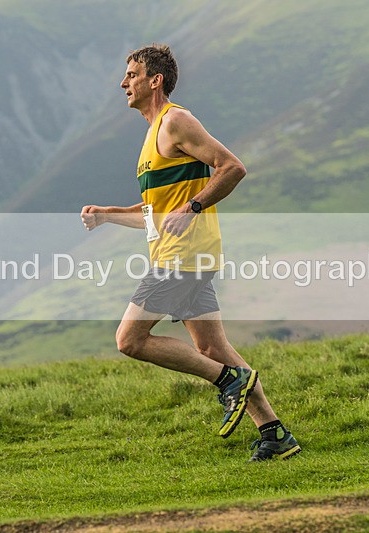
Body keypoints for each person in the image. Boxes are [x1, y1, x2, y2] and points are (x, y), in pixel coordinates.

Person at [80, 44, 299, 461]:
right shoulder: (151, 136)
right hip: (181, 252)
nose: (123, 82)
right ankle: (274, 433)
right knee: (213, 349)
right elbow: (156, 215)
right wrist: (108, 215)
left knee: (129, 339)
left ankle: (229, 382)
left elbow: (232, 166)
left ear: (154, 80)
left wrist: (194, 206)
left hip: (183, 255)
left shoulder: (176, 120)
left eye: (132, 74)